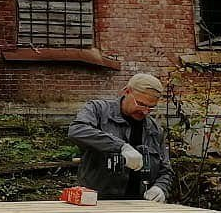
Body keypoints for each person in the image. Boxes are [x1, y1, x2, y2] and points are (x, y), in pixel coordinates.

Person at [68, 73, 174, 201]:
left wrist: (160, 187)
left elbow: (166, 170)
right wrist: (121, 147)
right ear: (127, 91)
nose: (145, 111)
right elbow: (77, 130)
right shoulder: (99, 111)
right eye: (141, 104)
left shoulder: (154, 130)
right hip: (97, 203)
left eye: (151, 107)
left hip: (139, 206)